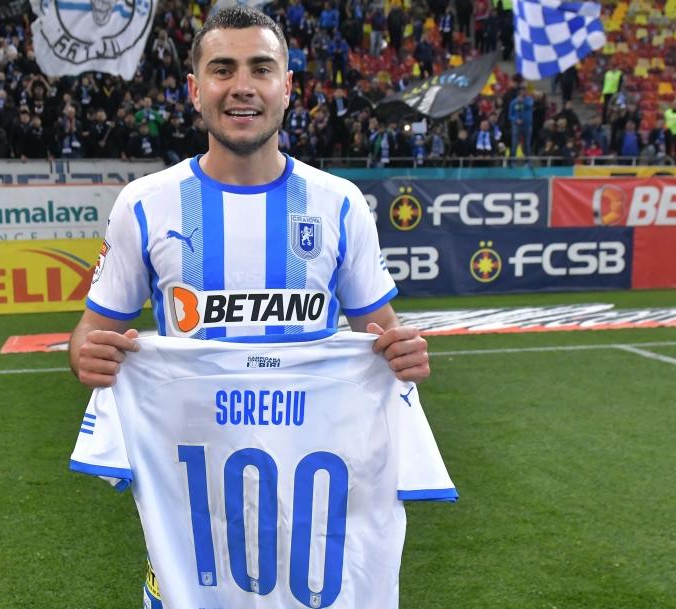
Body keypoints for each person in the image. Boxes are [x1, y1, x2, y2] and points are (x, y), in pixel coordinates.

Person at [67, 7, 431, 609]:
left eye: (261, 69)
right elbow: (88, 336)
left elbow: (383, 339)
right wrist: (87, 356)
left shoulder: (339, 205)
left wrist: (405, 354)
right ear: (195, 89)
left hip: (309, 519)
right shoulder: (145, 205)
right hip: (192, 520)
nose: (242, 86)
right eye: (223, 69)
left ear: (287, 87)